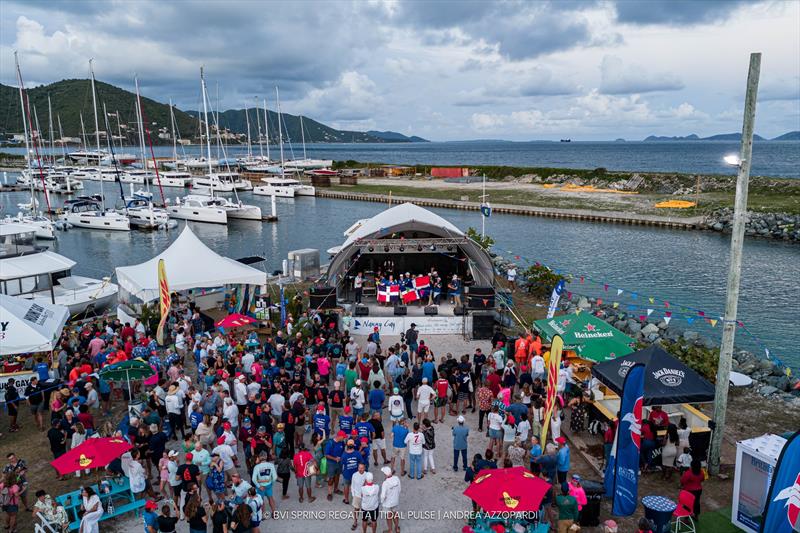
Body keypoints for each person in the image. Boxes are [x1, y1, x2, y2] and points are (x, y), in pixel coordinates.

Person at [380, 466, 401, 533]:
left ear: (385, 474)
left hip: (387, 503)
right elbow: (399, 489)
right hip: (395, 501)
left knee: (388, 516)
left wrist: (381, 502)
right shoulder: (397, 478)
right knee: (395, 514)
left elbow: (383, 496)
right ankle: (397, 528)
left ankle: (390, 530)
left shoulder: (385, 483)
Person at [350, 462, 368, 531]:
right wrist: (353, 495)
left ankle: (367, 520)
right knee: (356, 510)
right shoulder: (354, 475)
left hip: (365, 497)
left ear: (364, 468)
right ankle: (355, 522)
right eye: (359, 468)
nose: (360, 469)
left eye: (362, 468)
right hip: (357, 496)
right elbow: (352, 485)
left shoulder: (367, 475)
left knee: (366, 510)